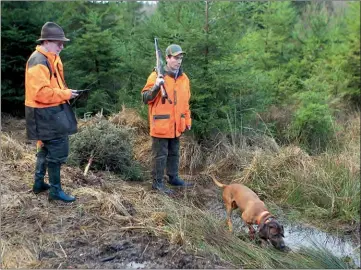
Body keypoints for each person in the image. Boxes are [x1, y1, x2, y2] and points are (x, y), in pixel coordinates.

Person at [25, 22, 79, 202]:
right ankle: (55, 192)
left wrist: (67, 93)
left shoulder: (51, 56)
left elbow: (54, 85)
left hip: (50, 111)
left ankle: (39, 184)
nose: (62, 46)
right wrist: (66, 94)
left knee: (44, 148)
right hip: (44, 114)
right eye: (59, 43)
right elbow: (40, 93)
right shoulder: (38, 61)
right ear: (47, 41)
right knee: (57, 149)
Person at [141, 44, 193, 195]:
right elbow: (145, 98)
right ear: (167, 58)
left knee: (174, 153)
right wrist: (157, 86)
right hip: (161, 124)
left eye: (180, 58)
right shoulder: (156, 75)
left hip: (177, 124)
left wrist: (187, 120)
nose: (179, 61)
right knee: (160, 155)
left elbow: (185, 103)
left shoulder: (184, 79)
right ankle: (157, 183)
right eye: (176, 58)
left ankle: (173, 177)